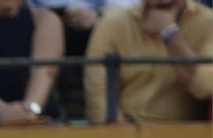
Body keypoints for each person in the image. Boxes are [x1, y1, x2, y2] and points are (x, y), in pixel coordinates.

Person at [84, 0, 213, 122]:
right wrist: (121, 136)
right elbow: (97, 96)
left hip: (189, 134)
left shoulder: (208, 22)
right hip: (124, 132)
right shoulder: (113, 24)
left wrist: (170, 34)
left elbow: (205, 88)